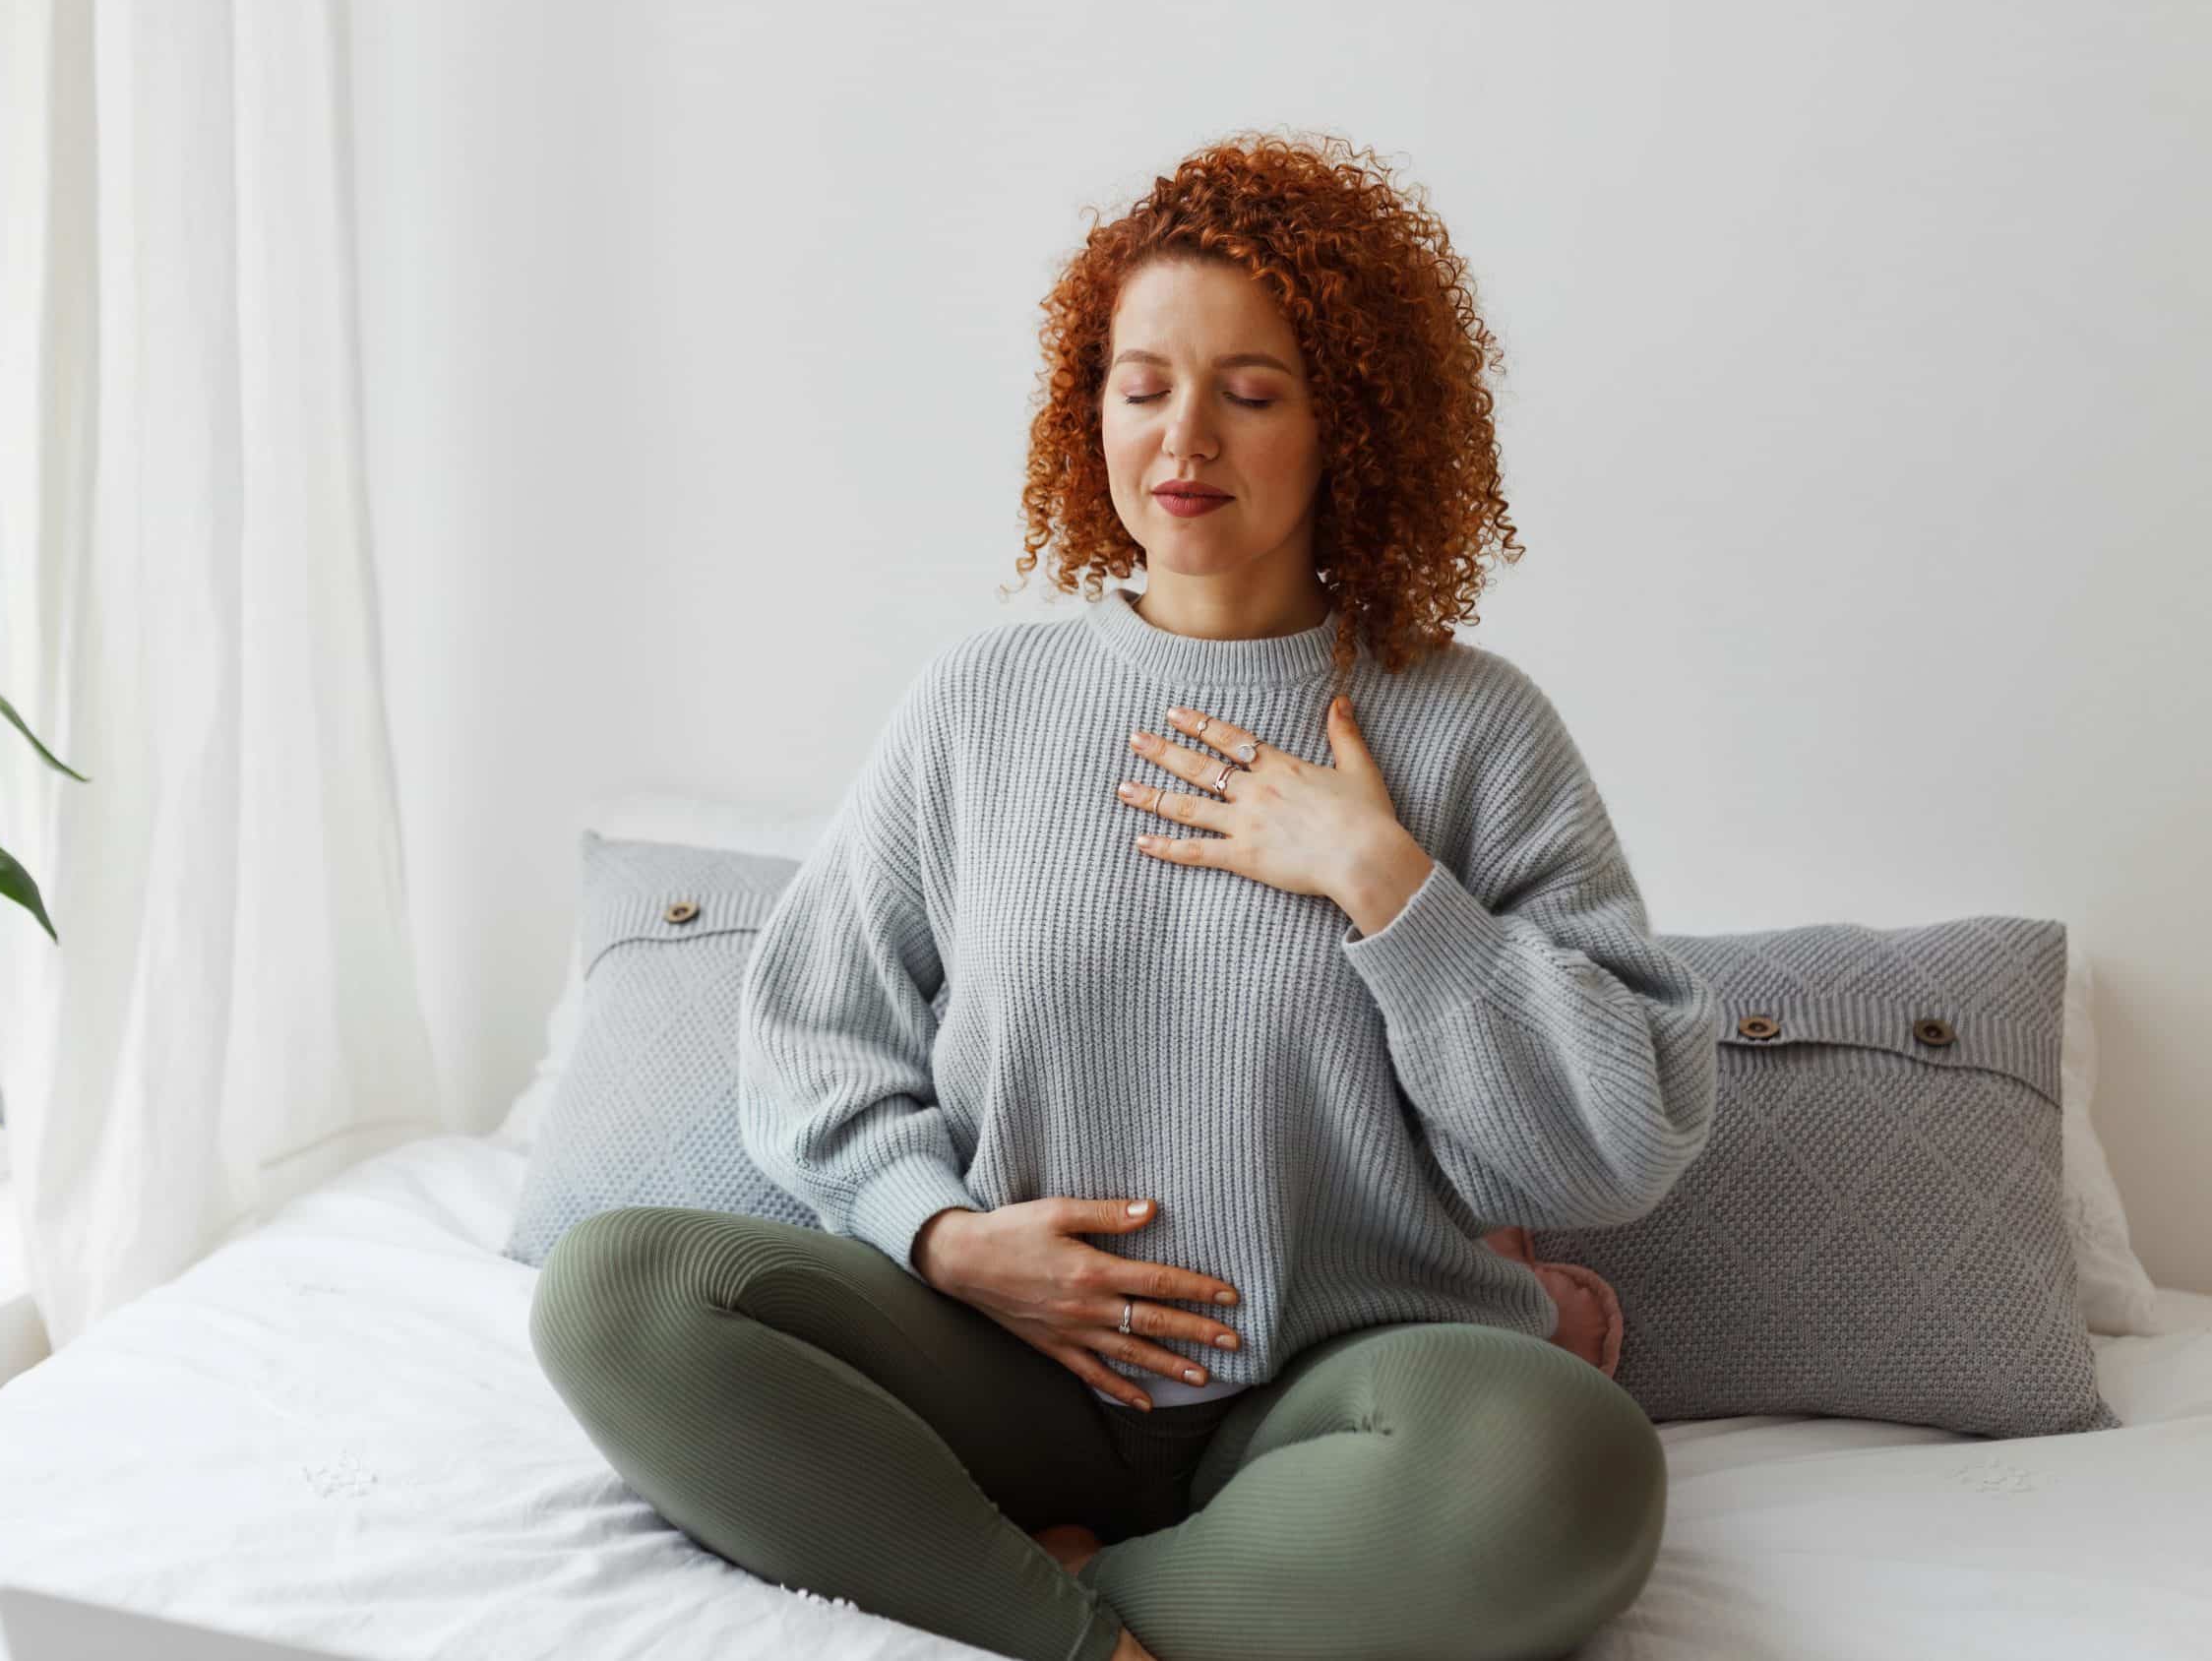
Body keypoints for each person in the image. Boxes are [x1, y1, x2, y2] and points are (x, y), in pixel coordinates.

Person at [531, 129, 1724, 1661]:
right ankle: (1100, 1636)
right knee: (620, 1288)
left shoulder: (1470, 726)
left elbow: (1619, 1143)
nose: (1185, 441)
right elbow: (814, 1033)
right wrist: (946, 1241)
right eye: (1143, 383)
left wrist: (1384, 882)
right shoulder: (984, 700)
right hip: (998, 1364)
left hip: (1334, 1393)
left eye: (1252, 390)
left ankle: (1036, 1596)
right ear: (1087, 405)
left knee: (1576, 1468)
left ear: (1347, 420)